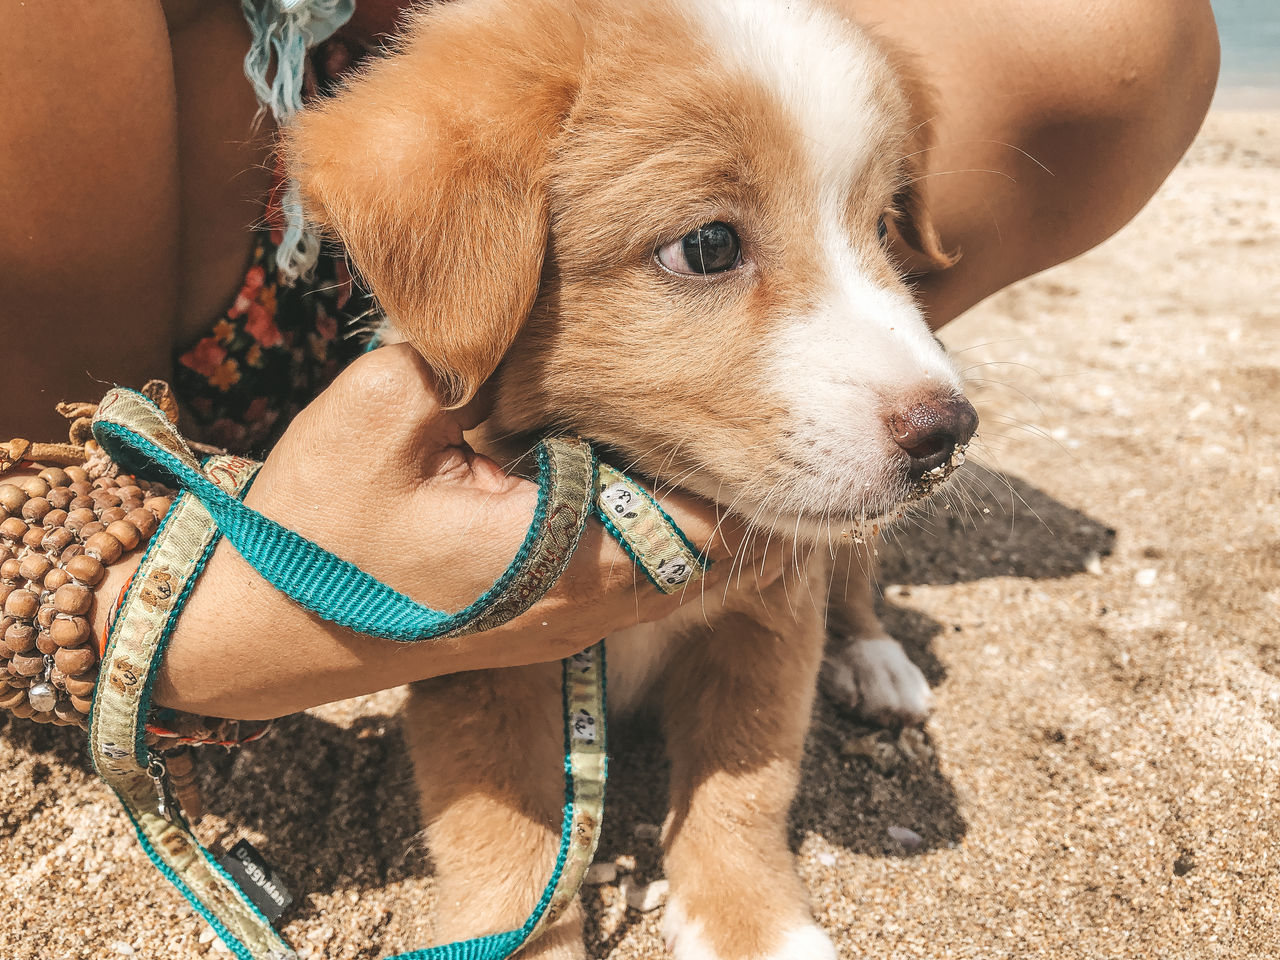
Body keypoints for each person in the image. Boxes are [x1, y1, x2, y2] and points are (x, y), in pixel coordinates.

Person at [0, 0, 1219, 721]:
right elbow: (38, 509)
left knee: (1118, 29)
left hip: (584, 303)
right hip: (169, 396)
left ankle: (743, 450)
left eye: (885, 224)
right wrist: (243, 630)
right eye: (708, 246)